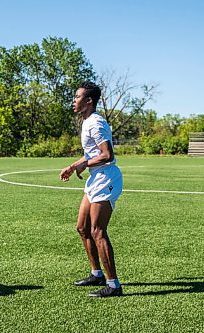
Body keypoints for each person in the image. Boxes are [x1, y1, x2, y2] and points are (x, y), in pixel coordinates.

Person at [59, 81, 123, 297]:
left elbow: (107, 155)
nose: (74, 101)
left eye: (77, 97)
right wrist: (74, 165)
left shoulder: (96, 123)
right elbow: (91, 153)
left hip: (106, 178)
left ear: (88, 101)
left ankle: (114, 285)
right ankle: (97, 274)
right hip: (96, 178)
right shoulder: (87, 122)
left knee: (98, 231)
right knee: (82, 228)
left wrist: (85, 164)